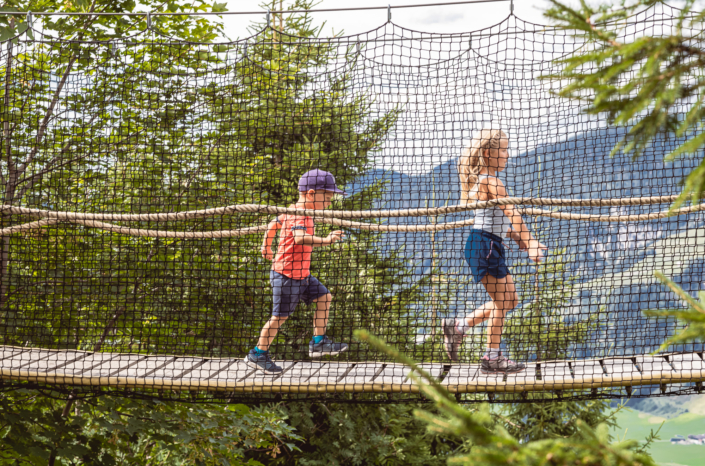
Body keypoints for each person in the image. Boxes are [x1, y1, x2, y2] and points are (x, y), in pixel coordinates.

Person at [443, 129, 547, 374]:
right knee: (502, 302)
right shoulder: (491, 182)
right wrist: (529, 241)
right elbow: (511, 212)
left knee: (511, 301)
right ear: (488, 153)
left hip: (488, 243)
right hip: (485, 246)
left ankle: (459, 326)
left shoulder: (486, 181)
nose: (507, 155)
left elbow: (493, 221)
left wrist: (517, 237)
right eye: (503, 150)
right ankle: (491, 358)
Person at [245, 169, 349, 374]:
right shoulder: (299, 213)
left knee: (324, 297)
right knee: (279, 318)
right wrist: (327, 240)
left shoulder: (295, 210)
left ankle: (318, 343)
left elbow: (273, 223)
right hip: (286, 276)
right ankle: (257, 354)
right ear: (311, 194)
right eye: (327, 198)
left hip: (301, 274)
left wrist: (266, 246)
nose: (329, 203)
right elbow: (300, 238)